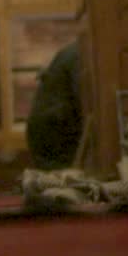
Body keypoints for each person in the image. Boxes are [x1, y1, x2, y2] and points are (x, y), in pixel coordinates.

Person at [27, 43, 83, 171]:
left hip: (46, 131)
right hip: (55, 133)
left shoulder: (73, 51)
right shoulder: (80, 54)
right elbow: (82, 97)